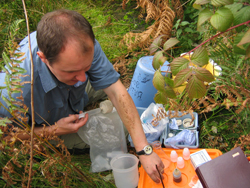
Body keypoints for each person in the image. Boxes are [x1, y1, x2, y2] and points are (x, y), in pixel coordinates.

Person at [0, 9, 164, 183]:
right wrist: (53, 130)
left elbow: (116, 91)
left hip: (74, 97)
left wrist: (143, 149)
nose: (82, 79)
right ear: (43, 58)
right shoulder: (15, 91)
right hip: (49, 126)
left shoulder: (82, 42)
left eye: (86, 68)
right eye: (71, 71)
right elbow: (6, 135)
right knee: (120, 130)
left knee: (122, 97)